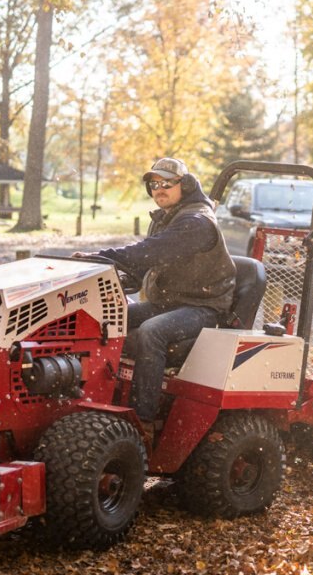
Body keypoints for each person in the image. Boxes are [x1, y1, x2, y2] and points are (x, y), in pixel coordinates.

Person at [84, 157, 235, 427]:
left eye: (167, 183)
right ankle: (98, 396)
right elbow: (147, 263)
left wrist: (101, 256)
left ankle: (143, 420)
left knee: (152, 331)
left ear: (185, 186)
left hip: (203, 307)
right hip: (169, 302)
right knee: (108, 317)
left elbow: (150, 251)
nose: (159, 189)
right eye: (154, 184)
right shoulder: (167, 218)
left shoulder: (196, 221)